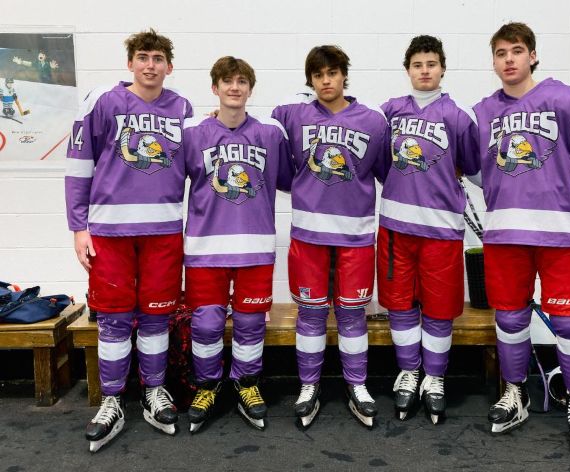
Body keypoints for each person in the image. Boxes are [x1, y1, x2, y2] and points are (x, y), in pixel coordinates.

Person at [472, 22, 570, 460]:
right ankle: (515, 393)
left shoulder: (565, 98)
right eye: (501, 53)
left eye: (516, 50)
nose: (509, 59)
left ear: (532, 55)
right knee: (510, 319)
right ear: (493, 61)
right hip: (505, 236)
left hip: (563, 235)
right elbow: (478, 171)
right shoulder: (483, 112)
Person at [65, 29, 193, 452]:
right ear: (130, 63)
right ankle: (113, 399)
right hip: (110, 232)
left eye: (157, 58)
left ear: (169, 66)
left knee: (157, 318)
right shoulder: (103, 101)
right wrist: (79, 227)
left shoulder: (183, 108)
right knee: (114, 319)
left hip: (163, 232)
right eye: (143, 57)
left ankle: (155, 391)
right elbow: (79, 165)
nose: (150, 65)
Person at [272, 45, 390, 428]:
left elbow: (388, 172)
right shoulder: (289, 115)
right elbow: (266, 149)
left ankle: (358, 385)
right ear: (310, 79)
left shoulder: (373, 120)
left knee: (353, 313)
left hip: (355, 234)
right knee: (311, 313)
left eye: (332, 73)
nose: (326, 80)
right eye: (318, 74)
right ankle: (309, 386)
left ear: (344, 75)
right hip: (309, 234)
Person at [182, 56, 293, 432]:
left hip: (255, 247)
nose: (234, 87)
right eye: (227, 81)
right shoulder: (192, 132)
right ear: (215, 88)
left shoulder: (270, 134)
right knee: (206, 324)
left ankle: (246, 382)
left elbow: (291, 179)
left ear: (250, 89)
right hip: (204, 248)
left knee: (250, 322)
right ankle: (207, 385)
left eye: (242, 81)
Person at [377, 35, 480, 424]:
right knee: (400, 303)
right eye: (417, 65)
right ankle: (409, 371)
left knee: (439, 307)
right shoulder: (388, 112)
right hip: (396, 228)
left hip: (441, 230)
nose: (425, 71)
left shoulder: (458, 116)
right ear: (407, 70)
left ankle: (434, 377)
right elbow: (375, 161)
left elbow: (472, 167)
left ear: (442, 68)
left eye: (431, 64)